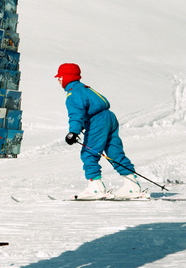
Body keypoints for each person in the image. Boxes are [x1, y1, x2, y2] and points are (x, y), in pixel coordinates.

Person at [55, 63, 142, 199]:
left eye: (59, 77)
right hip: (109, 117)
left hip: (98, 121)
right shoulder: (85, 88)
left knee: (89, 153)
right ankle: (132, 186)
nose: (58, 80)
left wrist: (73, 132)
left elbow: (76, 114)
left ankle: (95, 188)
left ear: (66, 77)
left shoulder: (73, 93)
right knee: (114, 152)